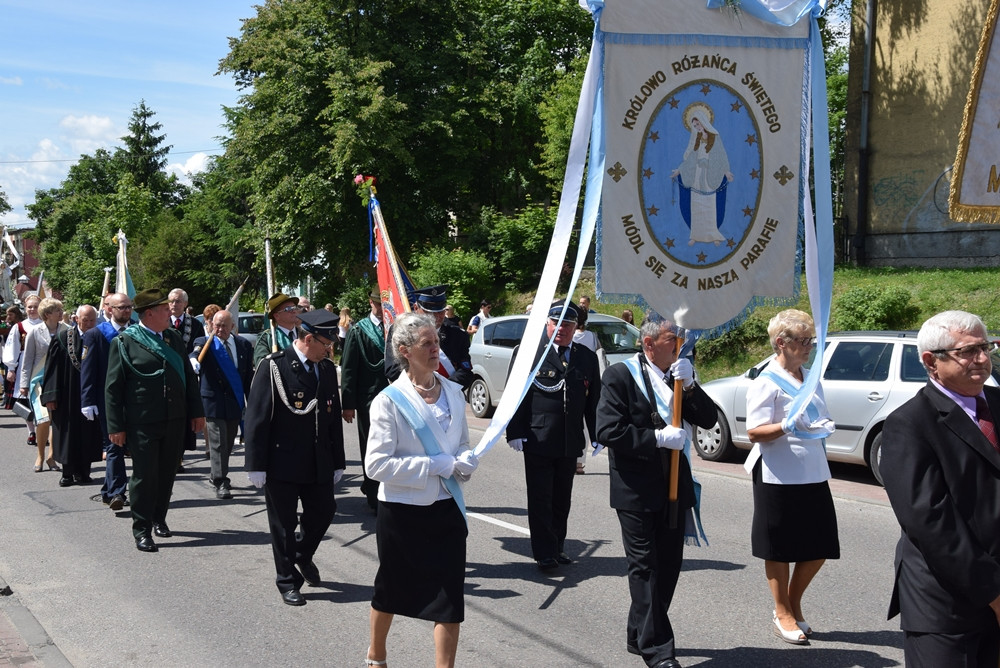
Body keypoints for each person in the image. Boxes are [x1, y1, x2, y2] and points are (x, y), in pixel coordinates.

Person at [596, 315, 718, 668]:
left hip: (675, 486)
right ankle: (659, 651)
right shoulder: (620, 376)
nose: (680, 344)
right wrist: (656, 438)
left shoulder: (679, 376)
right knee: (645, 568)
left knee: (668, 567)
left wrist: (691, 386)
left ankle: (639, 633)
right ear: (649, 344)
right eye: (672, 338)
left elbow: (709, 419)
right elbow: (608, 430)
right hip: (636, 489)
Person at [881, 310, 1000, 667]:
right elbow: (931, 522)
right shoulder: (908, 423)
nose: (981, 358)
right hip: (945, 605)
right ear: (931, 361)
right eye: (967, 351)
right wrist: (993, 592)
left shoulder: (996, 404)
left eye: (985, 347)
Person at [364, 312, 478, 668]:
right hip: (403, 512)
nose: (435, 349)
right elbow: (376, 466)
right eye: (426, 343)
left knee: (450, 598)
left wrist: (465, 459)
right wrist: (433, 466)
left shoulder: (454, 393)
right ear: (405, 351)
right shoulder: (388, 401)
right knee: (391, 590)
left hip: (447, 509)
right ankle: (376, 654)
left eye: (436, 342)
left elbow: (460, 443)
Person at [743, 309, 838, 645]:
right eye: (803, 340)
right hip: (777, 472)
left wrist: (823, 425)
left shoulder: (810, 377)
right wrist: (785, 426)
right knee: (779, 546)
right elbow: (753, 432)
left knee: (820, 544)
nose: (809, 346)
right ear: (781, 343)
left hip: (812, 470)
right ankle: (782, 610)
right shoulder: (766, 381)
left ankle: (793, 602)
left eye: (811, 340)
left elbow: (819, 415)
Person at [244, 309, 345, 605]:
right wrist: (255, 464)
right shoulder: (274, 367)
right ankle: (287, 580)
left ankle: (302, 553)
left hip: (318, 459)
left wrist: (338, 460)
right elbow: (257, 417)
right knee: (283, 525)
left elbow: (333, 419)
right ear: (309, 339)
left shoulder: (326, 369)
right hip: (282, 461)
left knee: (324, 512)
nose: (330, 350)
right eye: (326, 344)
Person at [105, 288, 205, 553]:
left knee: (167, 473)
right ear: (149, 313)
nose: (169, 312)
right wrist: (115, 426)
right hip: (142, 421)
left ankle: (159, 518)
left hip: (174, 418)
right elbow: (113, 388)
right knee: (144, 475)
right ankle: (142, 529)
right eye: (163, 309)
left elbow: (188, 378)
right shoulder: (125, 342)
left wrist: (197, 412)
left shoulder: (173, 338)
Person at [506, 300, 601, 570]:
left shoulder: (586, 357)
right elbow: (515, 395)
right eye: (556, 323)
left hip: (569, 440)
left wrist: (597, 434)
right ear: (547, 324)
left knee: (562, 499)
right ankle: (544, 553)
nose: (561, 329)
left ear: (576, 327)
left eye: (568, 325)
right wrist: (514, 430)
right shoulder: (530, 353)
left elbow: (593, 400)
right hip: (538, 438)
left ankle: (558, 546)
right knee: (541, 499)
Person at [190, 309, 254, 500]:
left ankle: (215, 474)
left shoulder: (243, 345)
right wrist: (193, 359)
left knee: (227, 443)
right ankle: (221, 480)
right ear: (211, 325)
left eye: (224, 326)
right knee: (218, 442)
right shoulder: (205, 343)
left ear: (232, 327)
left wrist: (252, 401)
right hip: (213, 401)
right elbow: (195, 351)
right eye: (216, 325)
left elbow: (247, 376)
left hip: (234, 401)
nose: (220, 329)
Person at [82, 293, 134, 511]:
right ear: (110, 309)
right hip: (108, 400)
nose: (127, 311)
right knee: (114, 445)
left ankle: (109, 490)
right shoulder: (96, 334)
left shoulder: (137, 331)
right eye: (122, 307)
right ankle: (116, 493)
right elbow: (88, 369)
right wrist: (87, 400)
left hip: (134, 400)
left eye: (129, 307)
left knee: (134, 447)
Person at [42, 304, 102, 485]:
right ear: (77, 319)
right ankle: (67, 473)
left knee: (88, 432)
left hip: (90, 393)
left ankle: (83, 472)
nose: (89, 324)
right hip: (67, 394)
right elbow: (52, 369)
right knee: (67, 433)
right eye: (85, 320)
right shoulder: (63, 338)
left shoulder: (99, 337)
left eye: (92, 320)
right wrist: (51, 396)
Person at [341, 289, 389, 511]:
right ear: (371, 303)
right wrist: (348, 404)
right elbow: (349, 368)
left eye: (384, 305)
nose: (381, 309)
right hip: (369, 399)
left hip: (395, 398)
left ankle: (389, 491)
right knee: (371, 446)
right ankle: (373, 494)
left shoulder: (395, 327)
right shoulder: (359, 330)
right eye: (378, 304)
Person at [385, 286, 474, 391]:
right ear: (416, 308)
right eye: (430, 312)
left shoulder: (458, 335)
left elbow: (465, 371)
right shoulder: (402, 332)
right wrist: (426, 386)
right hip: (415, 394)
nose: (436, 316)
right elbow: (393, 370)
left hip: (451, 394)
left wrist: (443, 389)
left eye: (441, 311)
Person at [670, 102, 734, 247]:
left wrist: (726, 172)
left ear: (703, 122)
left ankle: (713, 235)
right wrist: (679, 170)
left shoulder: (715, 137)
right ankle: (695, 235)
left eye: (698, 124)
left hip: (709, 174)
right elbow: (692, 157)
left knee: (710, 204)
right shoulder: (697, 138)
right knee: (696, 204)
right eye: (695, 126)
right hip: (697, 175)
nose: (697, 127)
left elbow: (721, 156)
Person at [21, 297, 65, 476]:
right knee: (44, 419)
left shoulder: (67, 330)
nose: (61, 313)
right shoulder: (35, 332)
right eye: (58, 310)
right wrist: (23, 384)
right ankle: (40, 455)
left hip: (60, 380)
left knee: (56, 419)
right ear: (47, 314)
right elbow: (27, 359)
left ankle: (51, 456)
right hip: (39, 380)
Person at [5, 294, 42, 445]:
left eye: (35, 307)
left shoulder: (46, 325)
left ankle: (41, 430)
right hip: (23, 366)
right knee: (25, 399)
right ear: (25, 309)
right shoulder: (19, 327)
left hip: (41, 365)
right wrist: (11, 368)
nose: (32, 310)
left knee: (40, 399)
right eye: (29, 307)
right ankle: (31, 431)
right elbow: (12, 347)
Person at [253, 292, 302, 368]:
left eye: (294, 307)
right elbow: (261, 365)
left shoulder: (305, 333)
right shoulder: (267, 338)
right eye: (288, 309)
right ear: (277, 316)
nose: (294, 311)